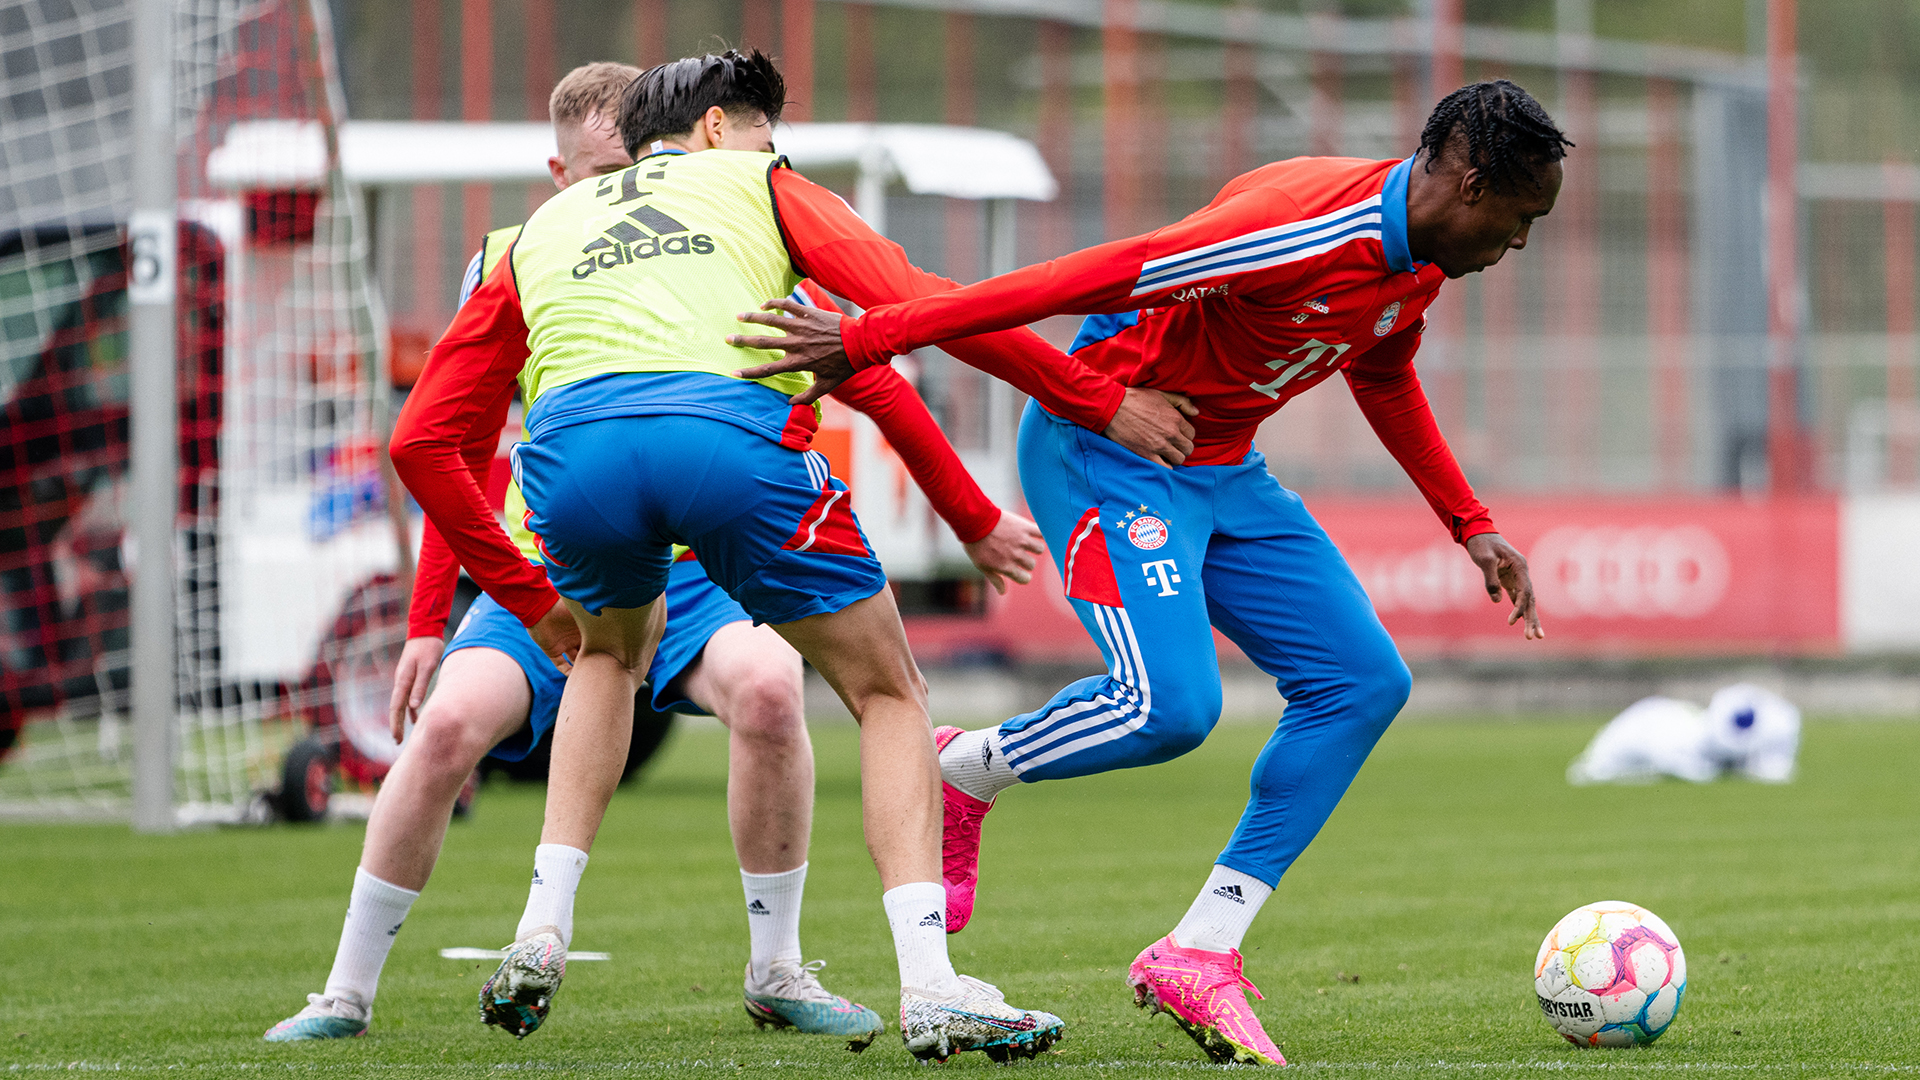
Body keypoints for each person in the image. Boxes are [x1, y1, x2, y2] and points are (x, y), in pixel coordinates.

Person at [730, 79, 1568, 1066]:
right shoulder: (1291, 228)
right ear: (1468, 183)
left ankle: (1200, 951)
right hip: (1110, 450)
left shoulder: (1420, 266)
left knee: (1361, 685)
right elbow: (1081, 278)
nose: (1516, 246)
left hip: (1219, 468)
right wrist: (873, 334)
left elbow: (1380, 367)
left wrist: (1468, 521)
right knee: (1169, 709)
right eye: (1519, 220)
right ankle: (966, 768)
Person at [389, 49, 1193, 1062]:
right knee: (889, 690)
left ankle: (542, 926)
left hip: (570, 459)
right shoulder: (756, 184)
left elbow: (422, 444)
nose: (781, 147)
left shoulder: (536, 230)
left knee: (603, 654)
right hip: (726, 444)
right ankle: (932, 985)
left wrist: (516, 592)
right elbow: (917, 301)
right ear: (721, 127)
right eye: (767, 128)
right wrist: (1095, 399)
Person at [264, 63, 1045, 1047]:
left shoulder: (678, 223)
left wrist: (968, 512)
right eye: (596, 169)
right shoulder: (552, 242)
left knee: (766, 688)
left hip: (664, 549)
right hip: (553, 555)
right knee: (449, 723)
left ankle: (772, 968)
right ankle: (349, 991)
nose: (621, 183)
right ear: (562, 170)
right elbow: (452, 448)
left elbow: (868, 378)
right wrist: (434, 617)